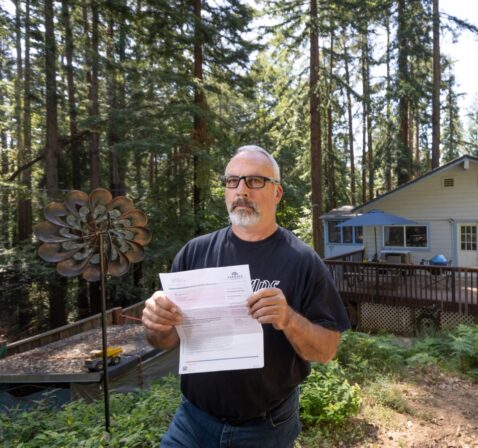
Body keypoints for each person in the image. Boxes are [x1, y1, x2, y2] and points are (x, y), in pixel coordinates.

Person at [142, 145, 350, 447]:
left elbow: (327, 350)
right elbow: (164, 341)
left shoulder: (303, 261)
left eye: (255, 180)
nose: (241, 190)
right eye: (232, 181)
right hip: (192, 421)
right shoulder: (194, 253)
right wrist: (156, 324)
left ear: (277, 193)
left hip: (266, 428)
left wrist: (288, 319)